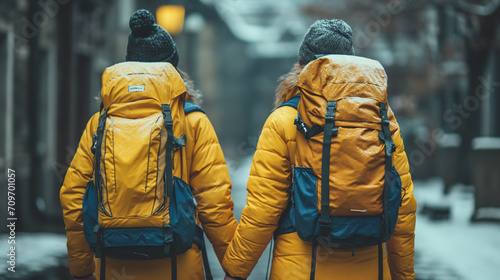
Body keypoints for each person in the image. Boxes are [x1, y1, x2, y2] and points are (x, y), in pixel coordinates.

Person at [222, 19, 417, 280]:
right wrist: (404, 275)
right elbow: (402, 207)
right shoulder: (382, 120)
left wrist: (235, 271)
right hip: (370, 266)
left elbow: (264, 208)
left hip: (301, 267)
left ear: (302, 66)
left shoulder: (284, 119)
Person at [60, 9, 238, 280]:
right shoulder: (192, 121)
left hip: (114, 264)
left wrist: (82, 269)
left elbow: (73, 195)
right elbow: (214, 199)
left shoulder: (100, 123)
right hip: (179, 263)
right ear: (173, 71)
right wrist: (234, 268)